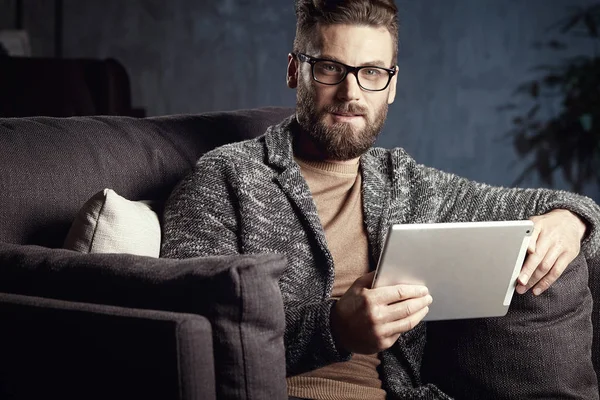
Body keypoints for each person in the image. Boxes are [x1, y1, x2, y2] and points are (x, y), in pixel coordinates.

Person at [161, 0, 600, 398]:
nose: (351, 94)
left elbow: (549, 205)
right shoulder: (227, 177)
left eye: (371, 72)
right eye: (330, 68)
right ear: (296, 70)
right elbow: (193, 331)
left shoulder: (405, 182)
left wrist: (571, 219)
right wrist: (334, 327)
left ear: (391, 85)